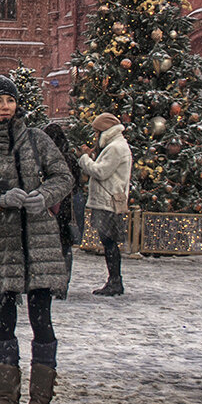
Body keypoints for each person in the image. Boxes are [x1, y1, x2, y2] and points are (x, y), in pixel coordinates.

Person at [0, 76, 73, 404]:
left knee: (42, 321)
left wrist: (45, 196)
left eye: (10, 100)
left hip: (37, 241)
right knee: (3, 322)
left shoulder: (37, 140)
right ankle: (7, 396)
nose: (5, 107)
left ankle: (41, 398)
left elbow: (63, 176)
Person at [78, 112, 132, 297]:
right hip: (108, 200)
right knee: (109, 243)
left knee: (109, 243)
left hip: (107, 202)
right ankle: (114, 279)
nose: (95, 136)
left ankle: (115, 280)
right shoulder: (116, 146)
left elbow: (101, 172)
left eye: (96, 132)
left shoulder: (115, 148)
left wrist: (85, 158)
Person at [43, 123, 84, 299]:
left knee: (56, 247)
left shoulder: (52, 159)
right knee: (63, 247)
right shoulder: (69, 158)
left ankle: (56, 284)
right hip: (65, 208)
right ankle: (61, 284)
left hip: (56, 207)